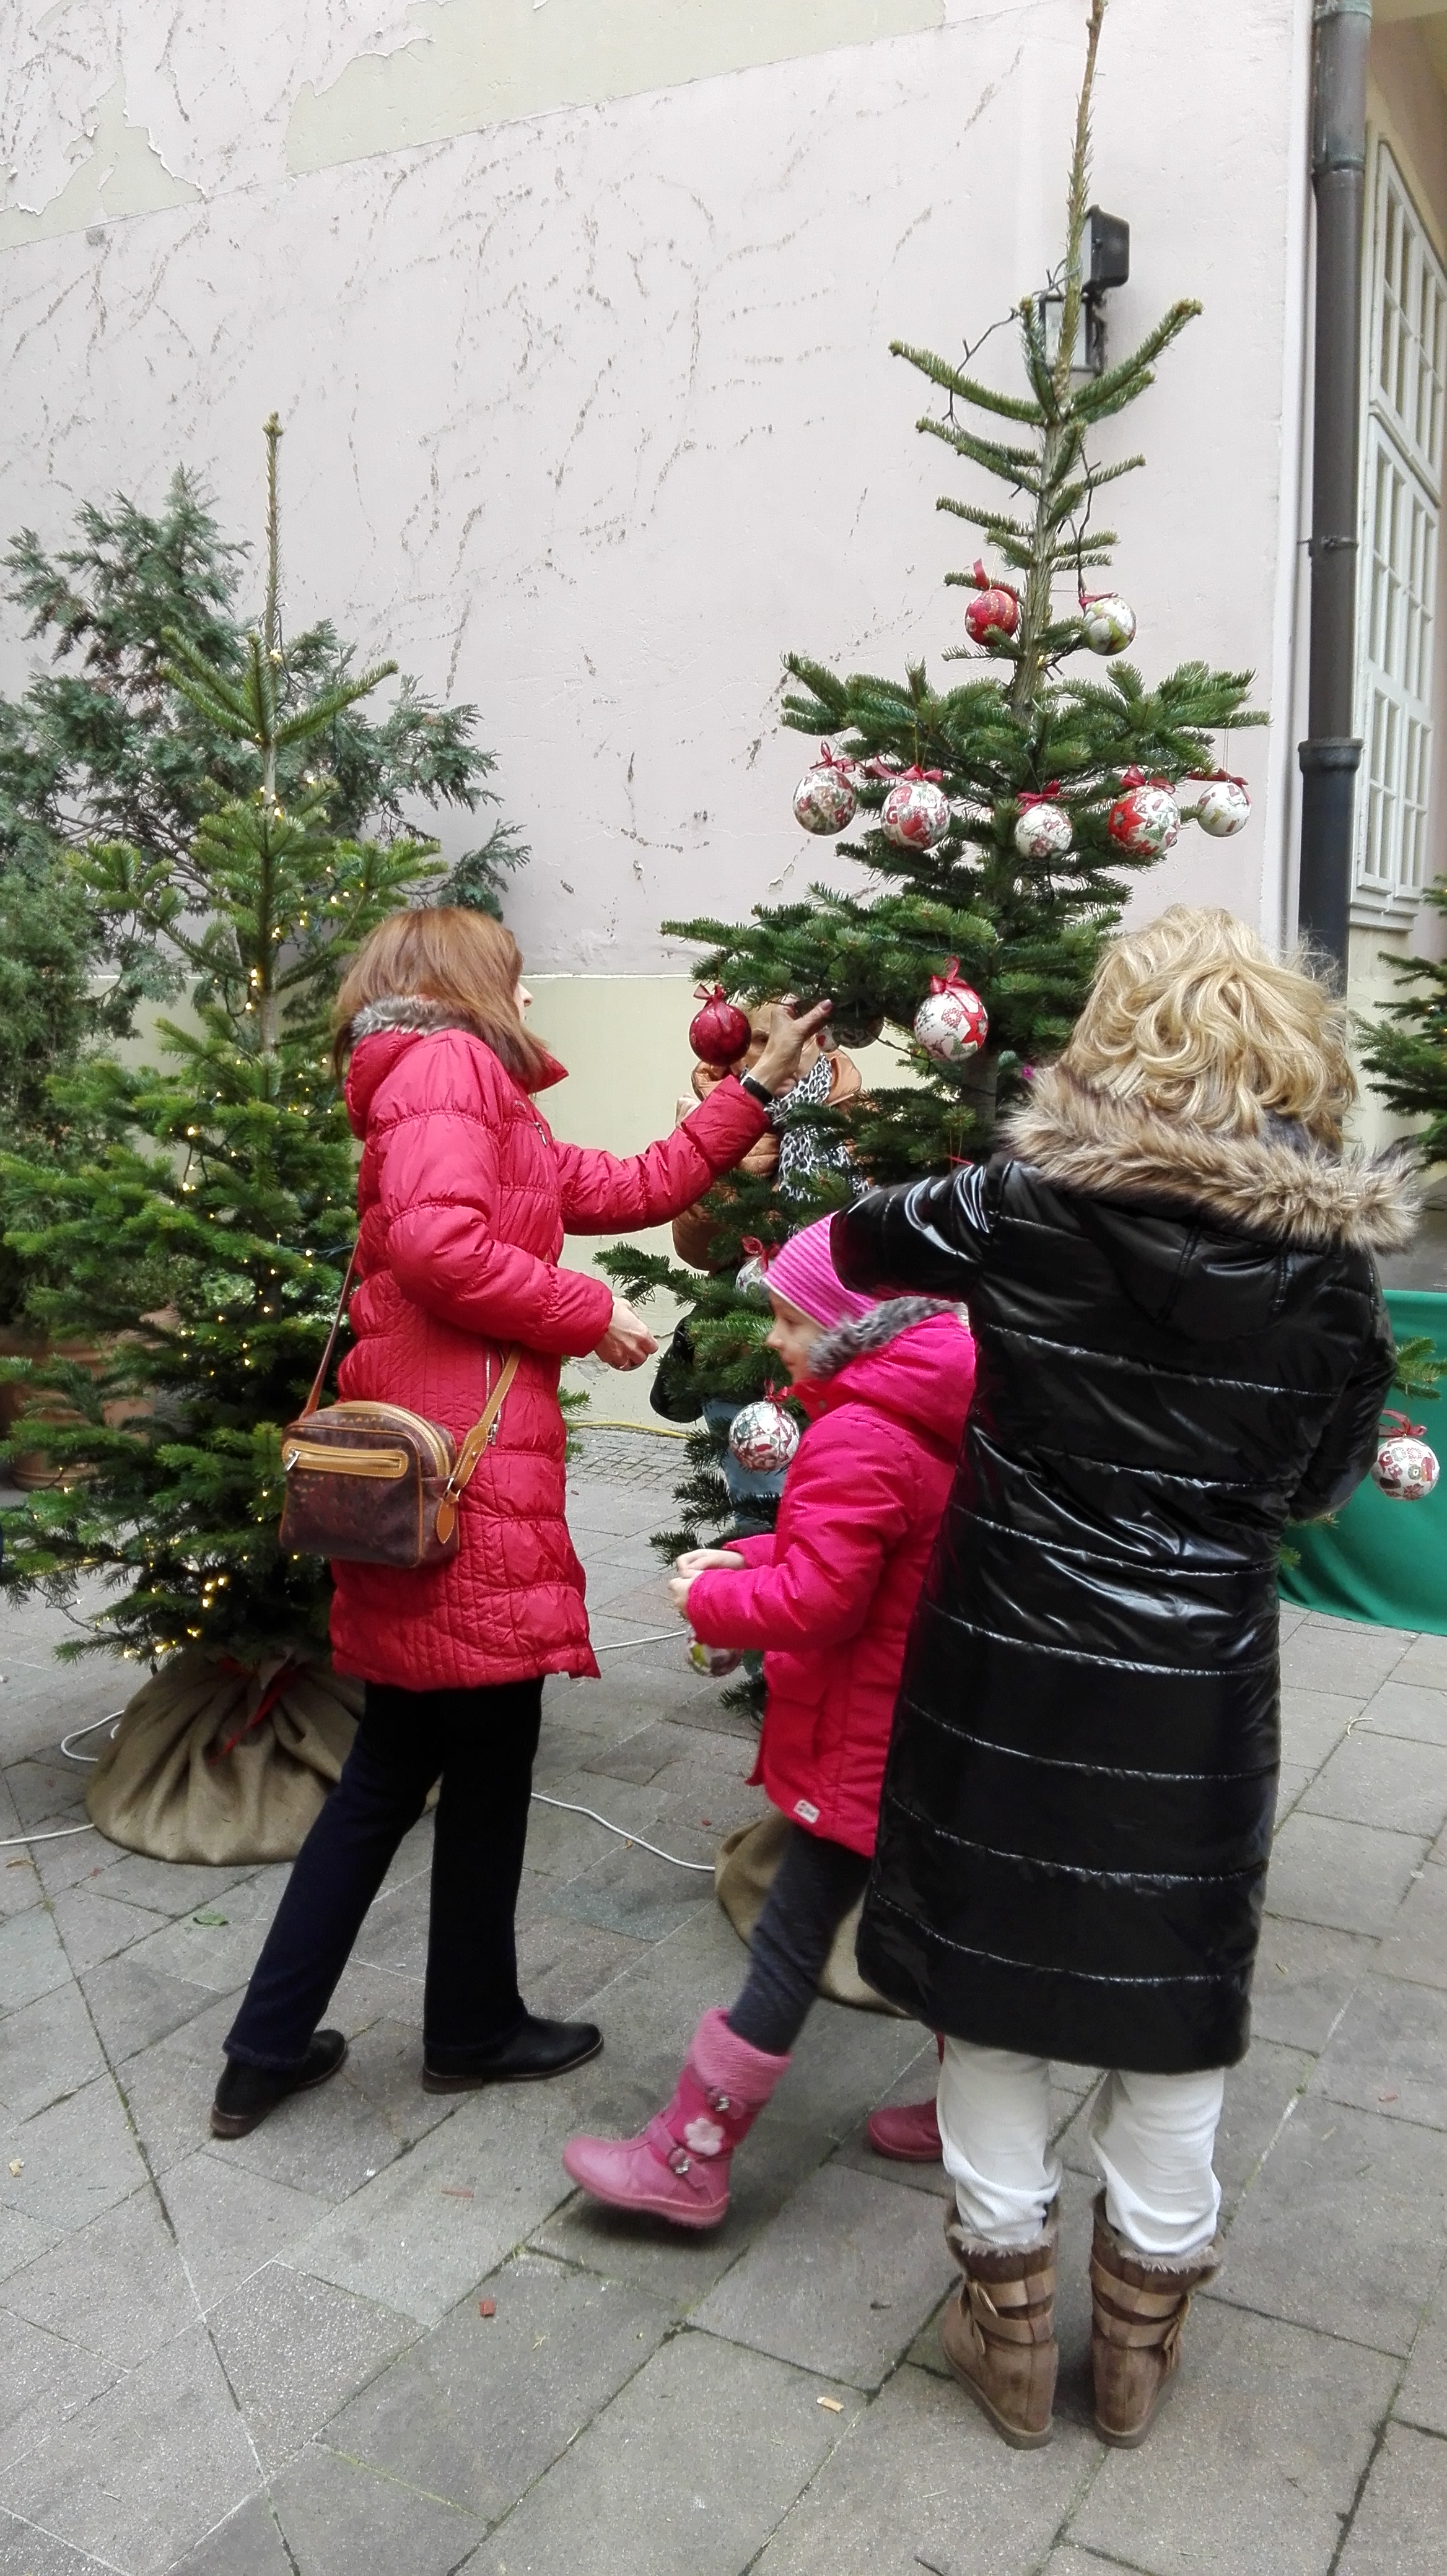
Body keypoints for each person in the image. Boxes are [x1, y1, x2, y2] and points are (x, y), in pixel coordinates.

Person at [832, 907, 1413, 2451]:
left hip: (1005, 1664)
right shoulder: (1334, 1276)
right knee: (1170, 2003)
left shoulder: (1017, 1205)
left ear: (1115, 1041)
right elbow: (1318, 1483)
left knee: (991, 1988)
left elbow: (855, 1241)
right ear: (1288, 1053)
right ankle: (1140, 2344)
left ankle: (1008, 2327)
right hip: (1194, 1688)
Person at [211, 910, 829, 2138]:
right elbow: (437, 1246)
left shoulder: (458, 1087)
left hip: (432, 1473)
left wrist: (754, 1088)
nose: (529, 994)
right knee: (472, 1764)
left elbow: (630, 1185)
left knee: (404, 1766)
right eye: (514, 974)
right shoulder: (448, 1068)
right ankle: (463, 2030)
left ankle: (275, 2050)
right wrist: (584, 1313)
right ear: (457, 980)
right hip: (463, 1482)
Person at [560, 1215, 976, 2226]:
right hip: (925, 1730)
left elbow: (822, 1599)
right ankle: (978, 2118)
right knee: (944, 1931)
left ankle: (690, 2156)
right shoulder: (925, 1413)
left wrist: (712, 1600)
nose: (775, 1341)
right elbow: (852, 1547)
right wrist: (746, 1554)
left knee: (791, 1941)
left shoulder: (859, 1433)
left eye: (791, 1320)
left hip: (862, 1741)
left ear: (850, 1326)